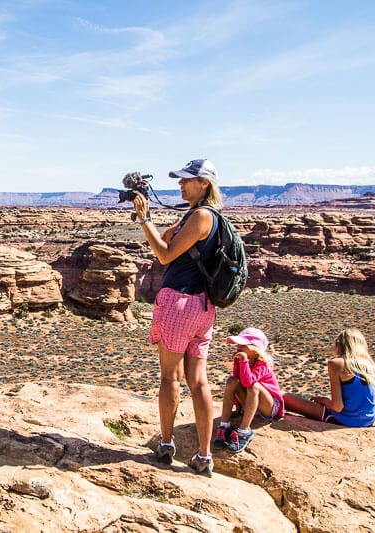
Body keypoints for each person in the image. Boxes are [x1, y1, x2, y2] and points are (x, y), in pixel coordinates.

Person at [131, 158, 223, 476]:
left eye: (187, 180)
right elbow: (169, 239)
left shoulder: (199, 216)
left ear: (205, 184)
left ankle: (167, 445)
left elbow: (164, 255)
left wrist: (144, 220)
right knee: (198, 382)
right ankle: (204, 455)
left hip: (179, 304)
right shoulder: (209, 217)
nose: (181, 184)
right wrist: (156, 219)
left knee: (171, 378)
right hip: (203, 309)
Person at [283, 328, 375, 427]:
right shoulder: (370, 365)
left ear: (340, 345)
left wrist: (324, 401)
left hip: (346, 420)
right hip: (369, 420)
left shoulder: (337, 364)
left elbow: (337, 407)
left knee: (284, 397)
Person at [214, 327, 284, 453]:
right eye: (238, 344)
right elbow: (237, 381)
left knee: (254, 385)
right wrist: (238, 408)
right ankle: (224, 425)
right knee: (232, 381)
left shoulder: (262, 364)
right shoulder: (241, 360)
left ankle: (245, 431)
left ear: (255, 349)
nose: (238, 347)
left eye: (243, 345)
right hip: (252, 402)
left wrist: (244, 361)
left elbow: (248, 382)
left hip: (268, 407)